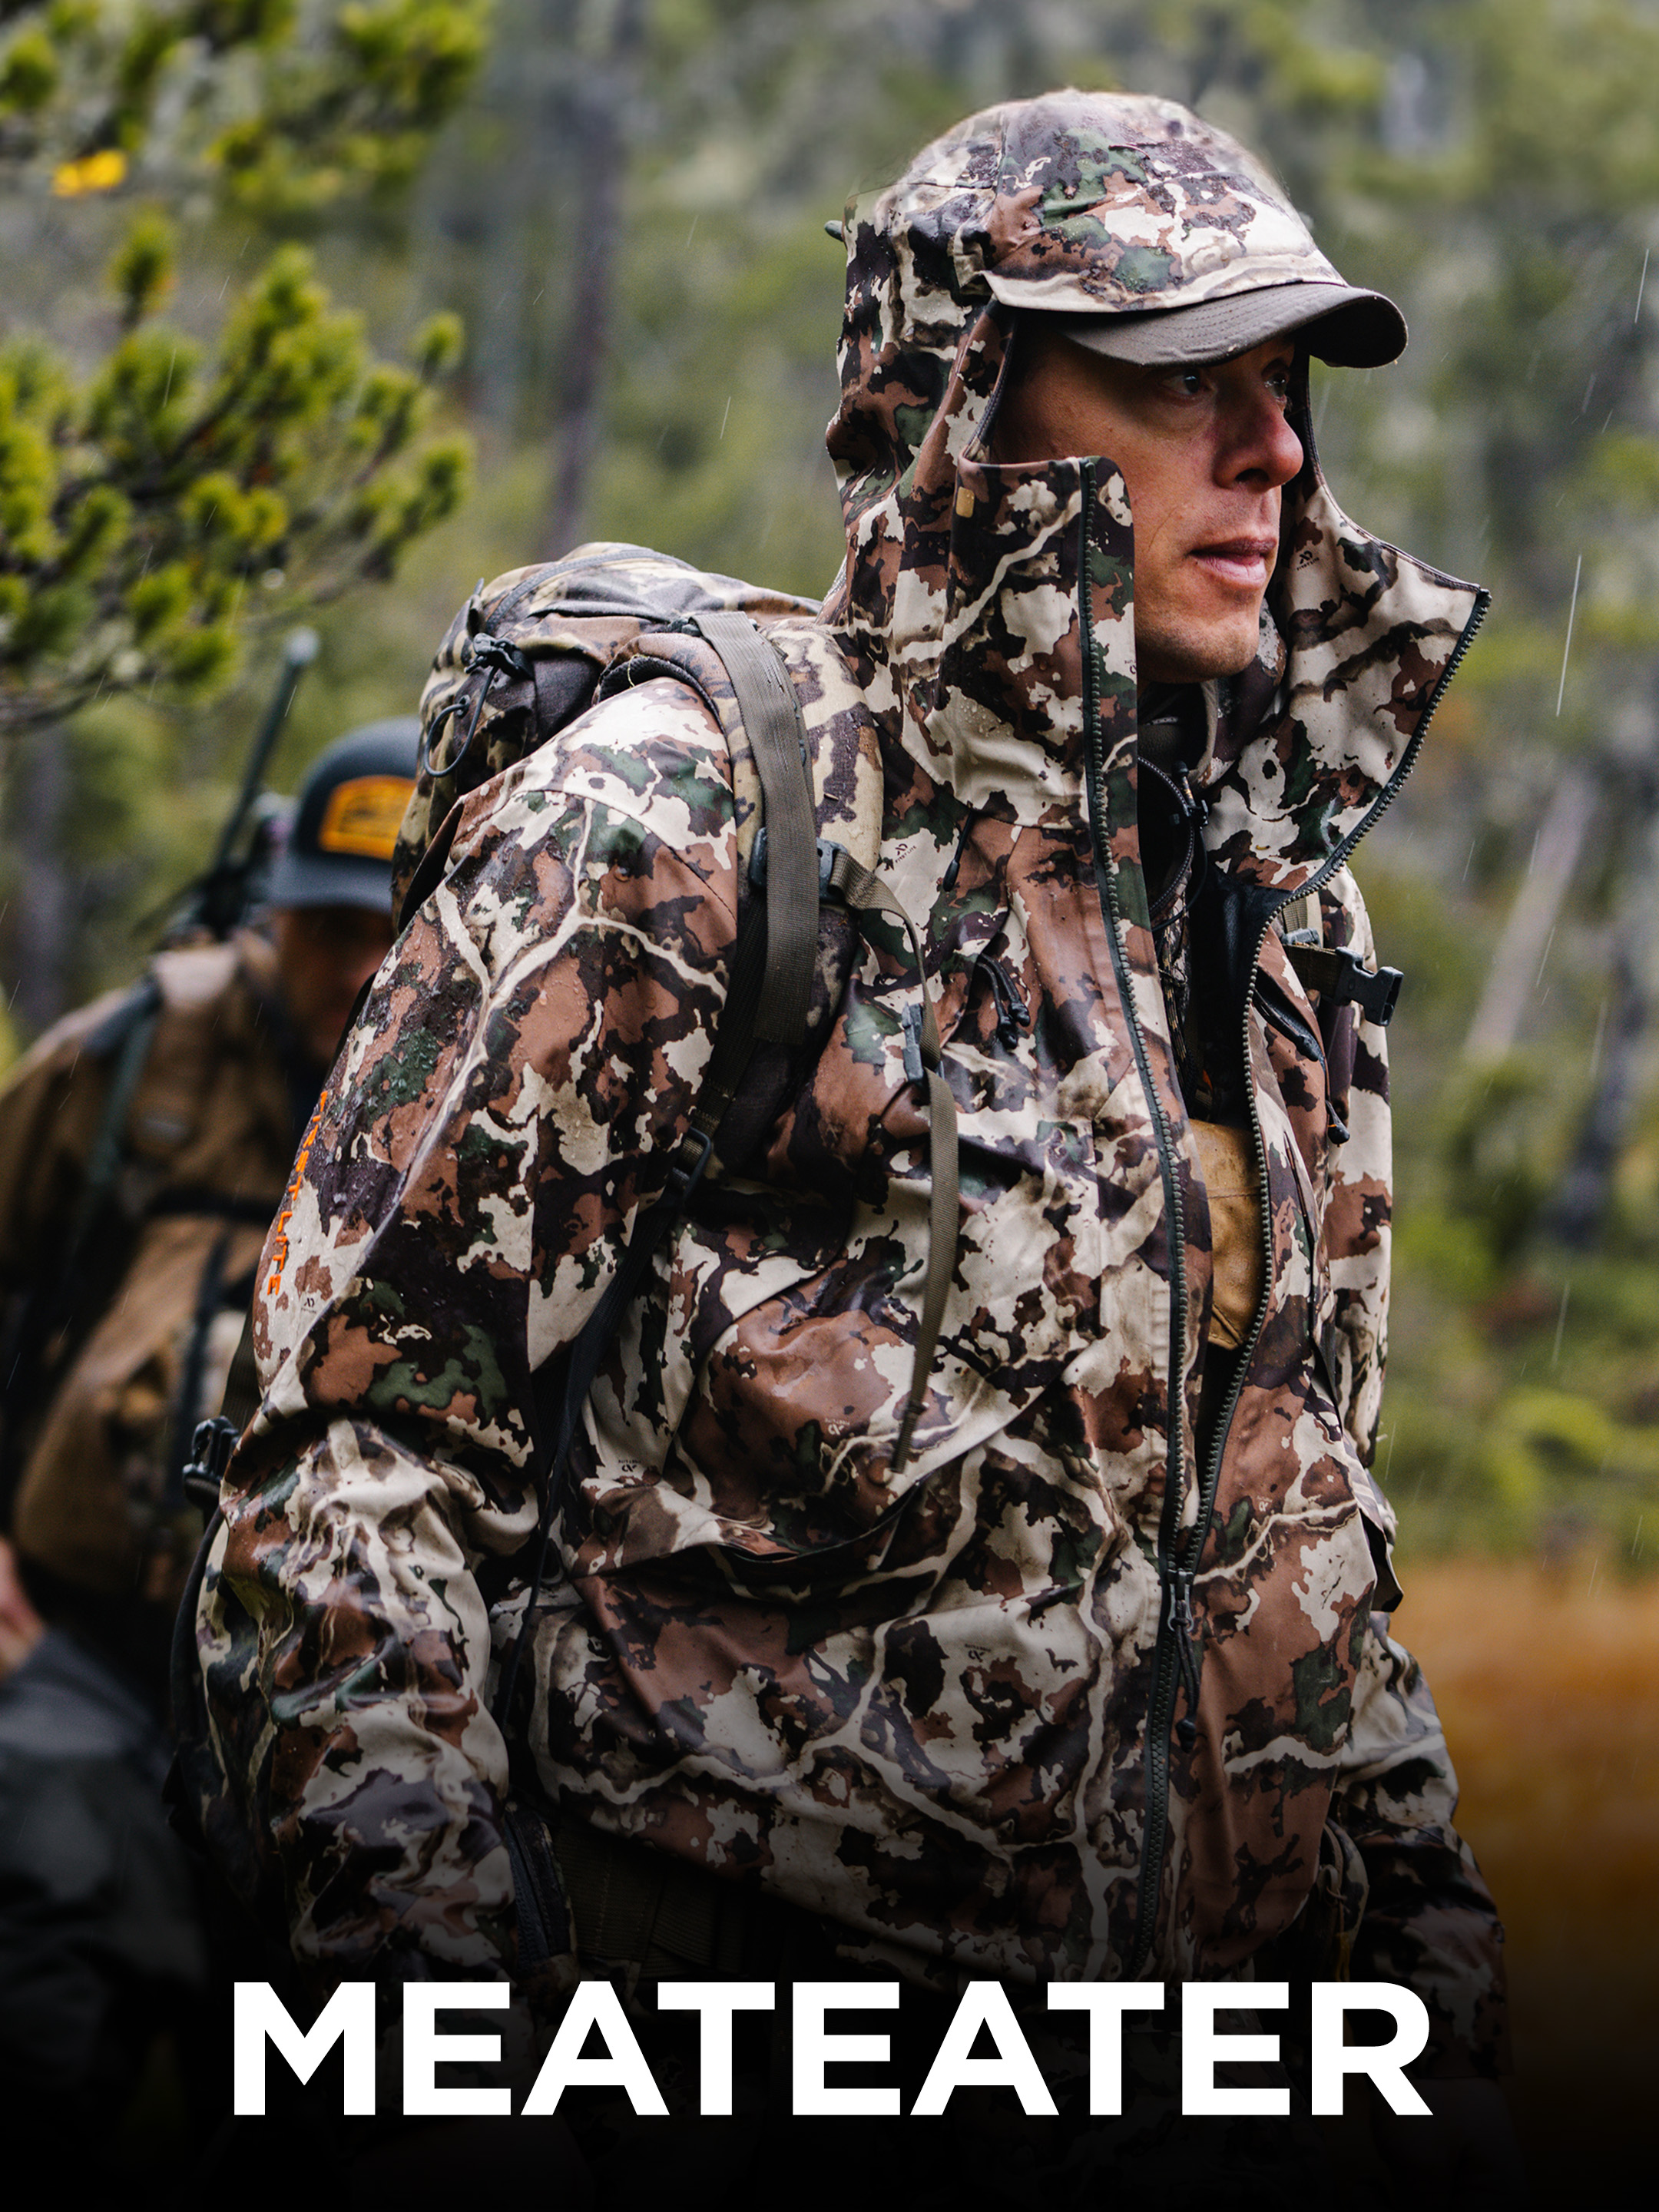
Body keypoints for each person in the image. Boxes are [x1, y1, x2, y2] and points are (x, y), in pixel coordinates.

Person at [193, 93, 1515, 2190]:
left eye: (1285, 387)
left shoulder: (1275, 918)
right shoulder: (682, 826)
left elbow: (1308, 1544)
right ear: (966, 400)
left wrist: (1431, 2021)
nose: (1274, 453)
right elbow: (356, 1476)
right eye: (1188, 385)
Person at [0, 717, 416, 2162]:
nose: (357, 971)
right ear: (276, 913)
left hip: (331, 1705)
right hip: (81, 1651)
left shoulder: (497, 1103)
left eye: (391, 934)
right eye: (329, 929)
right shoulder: (137, 1056)